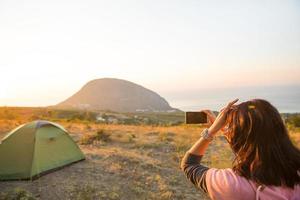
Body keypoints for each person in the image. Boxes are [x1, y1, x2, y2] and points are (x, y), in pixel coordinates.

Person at [181, 99, 300, 200]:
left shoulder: (234, 184)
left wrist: (212, 130)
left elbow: (189, 165)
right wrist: (227, 132)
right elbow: (256, 146)